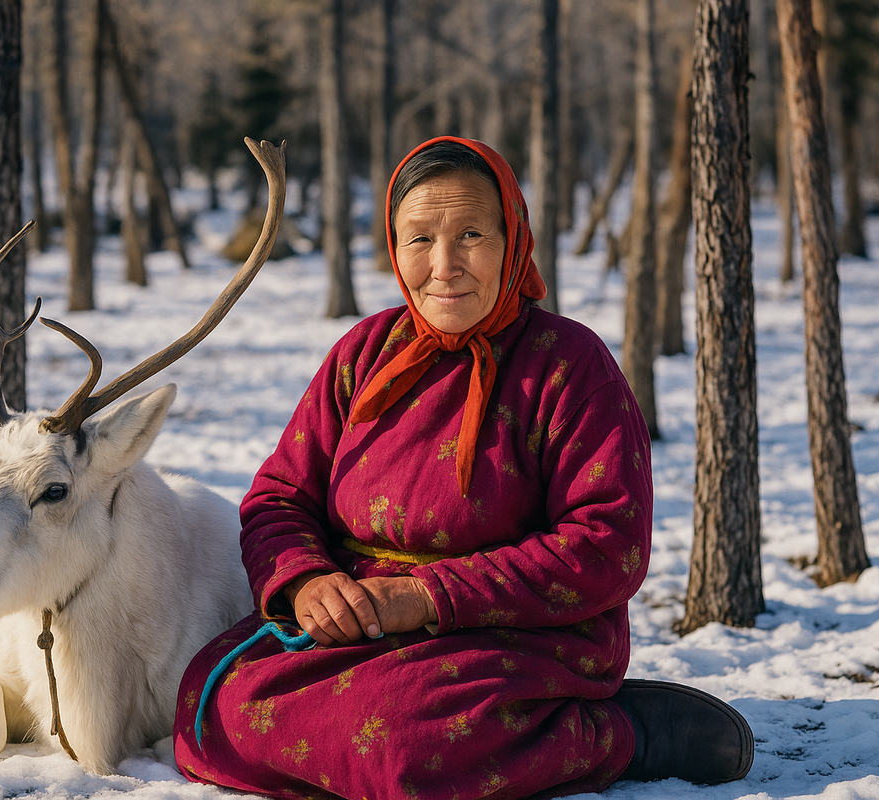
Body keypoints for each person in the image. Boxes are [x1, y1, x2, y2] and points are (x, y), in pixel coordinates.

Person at [172, 136, 753, 799]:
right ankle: (519, 732)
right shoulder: (365, 352)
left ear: (513, 239)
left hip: (512, 629)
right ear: (394, 247)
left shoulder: (569, 364)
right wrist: (309, 585)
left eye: (470, 234)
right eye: (419, 239)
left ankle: (615, 736)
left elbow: (608, 545)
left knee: (407, 747)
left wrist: (426, 596)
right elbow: (281, 495)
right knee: (206, 705)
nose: (443, 265)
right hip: (357, 621)